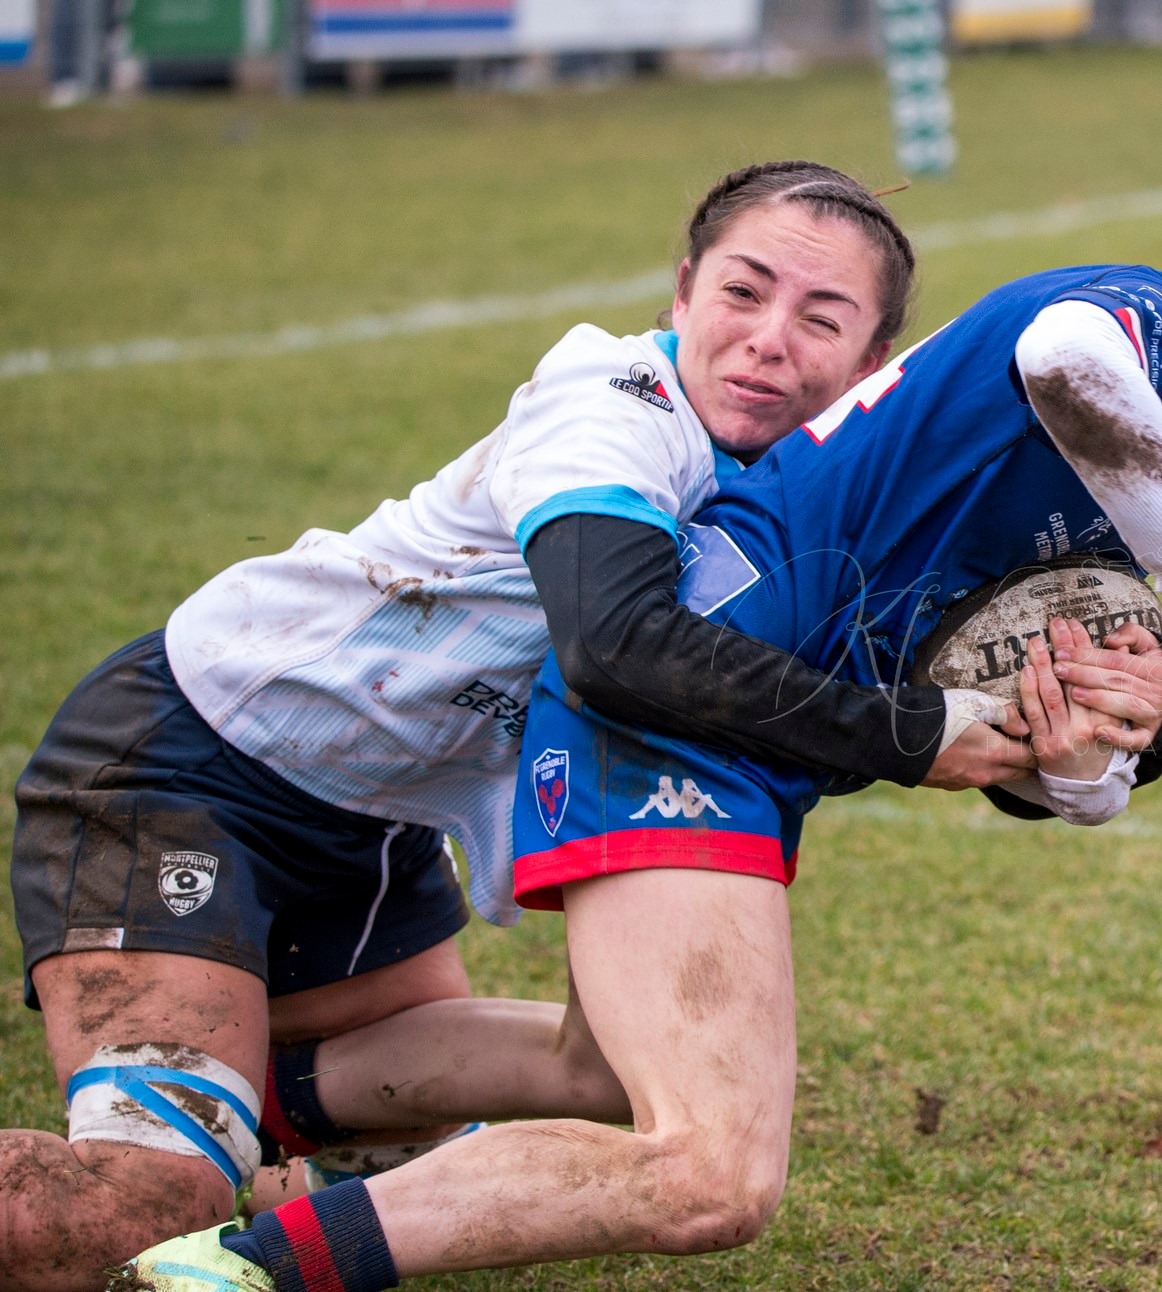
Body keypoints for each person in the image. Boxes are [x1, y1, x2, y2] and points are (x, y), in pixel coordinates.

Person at [121, 141, 1162, 1288]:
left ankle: (281, 1101)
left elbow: (999, 676)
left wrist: (1092, 756)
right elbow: (1058, 347)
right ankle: (234, 1267)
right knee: (709, 1174)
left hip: (743, 738)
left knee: (595, 1074)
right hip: (685, 711)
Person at [3, 159, 1094, 1292]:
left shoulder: (811, 500)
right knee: (144, 1203)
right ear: (681, 294)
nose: (770, 338)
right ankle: (199, 1126)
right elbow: (614, 644)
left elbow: (871, 687)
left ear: (873, 367)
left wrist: (1082, 733)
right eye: (741, 292)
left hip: (375, 837)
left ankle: (245, 1091)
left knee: (616, 1085)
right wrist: (910, 736)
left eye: (821, 319)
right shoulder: (612, 401)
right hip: (190, 766)